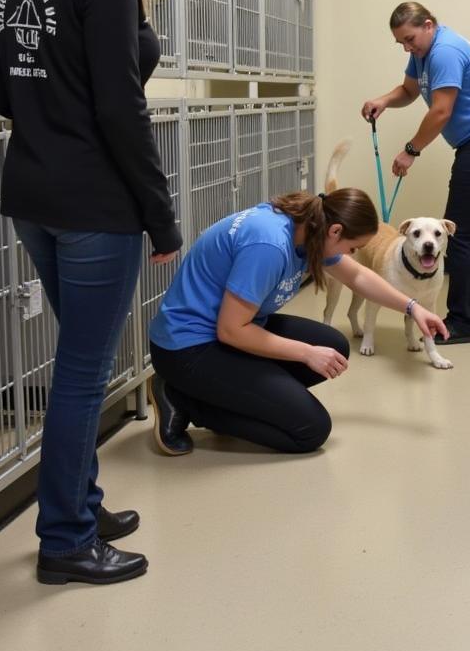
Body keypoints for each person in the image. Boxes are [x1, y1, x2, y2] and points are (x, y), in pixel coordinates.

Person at [0, 0, 181, 587]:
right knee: (83, 374)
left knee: (79, 363)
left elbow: (9, 95)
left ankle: (82, 502)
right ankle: (65, 540)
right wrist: (160, 216)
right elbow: (121, 109)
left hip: (33, 193)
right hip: (96, 205)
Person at [147, 189, 447, 455]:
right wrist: (306, 353)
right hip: (188, 347)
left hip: (229, 331)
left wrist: (413, 308)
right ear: (336, 232)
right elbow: (231, 330)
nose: (351, 255)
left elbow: (356, 276)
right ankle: (184, 398)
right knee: (309, 430)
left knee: (334, 347)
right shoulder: (269, 245)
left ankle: (228, 392)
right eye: (352, 248)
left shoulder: (312, 227)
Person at [361, 2, 470, 345]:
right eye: (401, 44)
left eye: (410, 39)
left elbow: (441, 111)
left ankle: (462, 322)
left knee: (461, 234)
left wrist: (411, 150)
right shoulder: (423, 52)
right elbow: (409, 91)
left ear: (428, 24)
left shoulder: (445, 51)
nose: (407, 47)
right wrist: (383, 100)